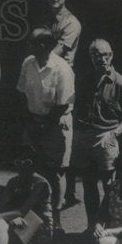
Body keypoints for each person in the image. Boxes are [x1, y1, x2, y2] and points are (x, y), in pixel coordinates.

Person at [71, 39, 122, 228]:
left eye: (106, 55)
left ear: (112, 55)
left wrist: (116, 133)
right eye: (97, 55)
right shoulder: (85, 80)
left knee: (109, 187)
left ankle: (108, 228)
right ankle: (92, 227)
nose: (102, 59)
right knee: (89, 185)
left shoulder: (121, 83)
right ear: (91, 57)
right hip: (85, 137)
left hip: (107, 136)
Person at [16, 27, 75, 226]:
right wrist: (30, 123)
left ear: (43, 46)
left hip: (56, 125)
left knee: (56, 172)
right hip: (33, 121)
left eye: (31, 42)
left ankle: (55, 219)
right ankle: (33, 213)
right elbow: (22, 94)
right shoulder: (27, 63)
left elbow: (63, 105)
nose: (28, 46)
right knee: (31, 167)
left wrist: (43, 127)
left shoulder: (62, 69)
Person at [43, 0, 82, 68]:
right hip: (44, 68)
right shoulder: (46, 19)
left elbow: (57, 52)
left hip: (61, 72)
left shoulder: (72, 23)